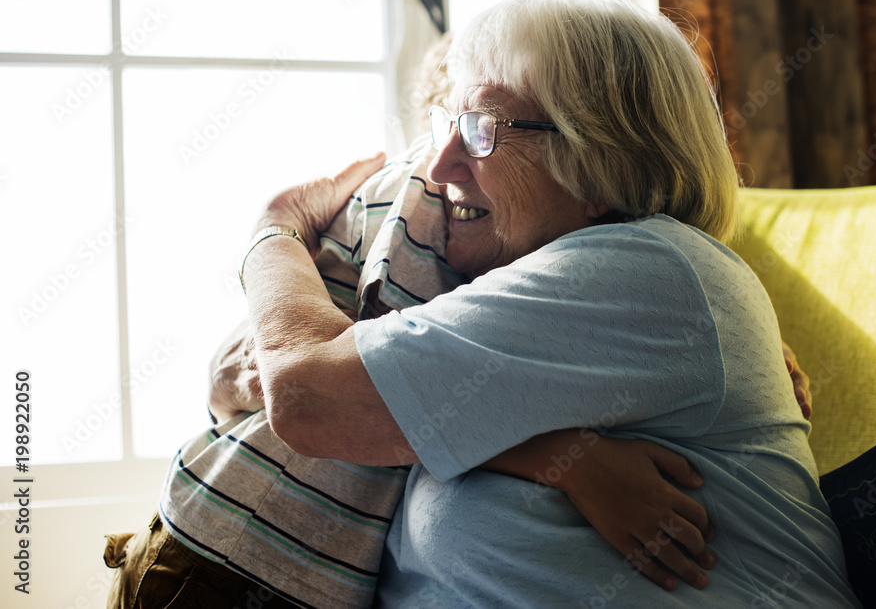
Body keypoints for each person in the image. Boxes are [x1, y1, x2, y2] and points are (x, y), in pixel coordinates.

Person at [230, 0, 859, 607]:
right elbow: (240, 379)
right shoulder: (479, 278)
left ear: (599, 161)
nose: (440, 166)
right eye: (447, 124)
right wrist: (554, 455)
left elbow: (305, 394)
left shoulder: (642, 271)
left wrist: (275, 228)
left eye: (481, 130)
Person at [104, 138, 725, 608]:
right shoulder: (425, 202)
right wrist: (564, 458)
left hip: (301, 575)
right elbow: (373, 392)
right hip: (227, 556)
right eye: (461, 124)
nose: (450, 159)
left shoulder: (578, 256)